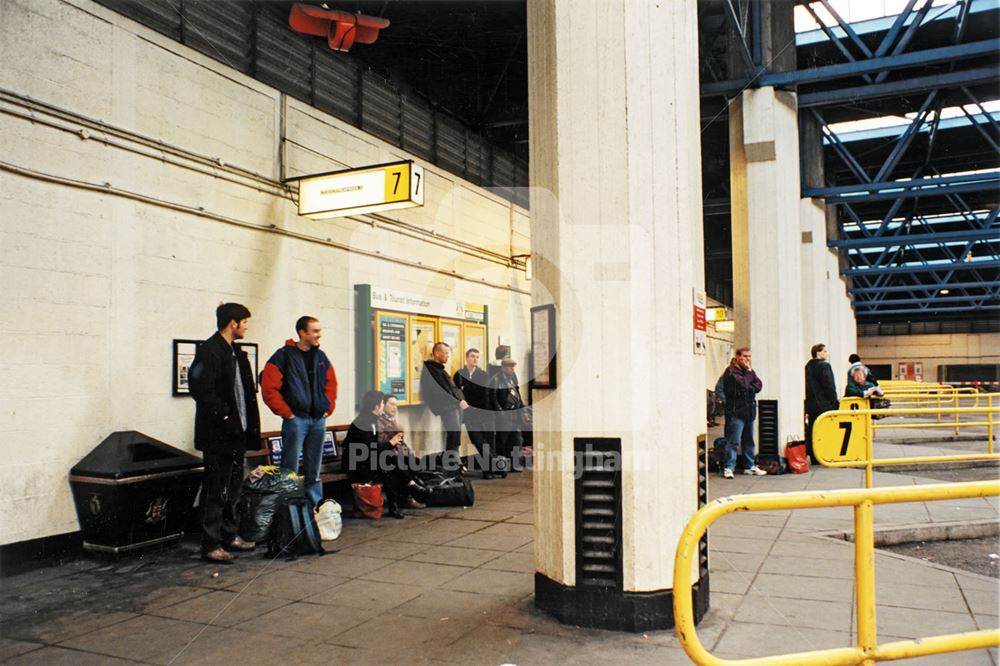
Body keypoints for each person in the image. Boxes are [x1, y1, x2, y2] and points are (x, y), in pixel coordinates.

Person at [189, 303, 261, 564]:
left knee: (233, 488)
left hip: (236, 434)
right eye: (244, 322)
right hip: (218, 434)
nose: (246, 327)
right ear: (233, 323)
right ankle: (210, 544)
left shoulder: (235, 353)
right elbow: (200, 388)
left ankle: (230, 536)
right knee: (215, 490)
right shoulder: (209, 351)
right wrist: (227, 416)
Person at [260, 316, 338, 508]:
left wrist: (328, 408)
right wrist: (287, 414)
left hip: (318, 419)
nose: (320, 335)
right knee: (290, 468)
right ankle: (289, 509)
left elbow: (331, 384)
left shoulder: (321, 357)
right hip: (296, 420)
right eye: (315, 331)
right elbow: (269, 388)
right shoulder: (283, 356)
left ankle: (315, 508)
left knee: (314, 468)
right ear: (302, 333)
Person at [420, 342, 468, 468]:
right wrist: (458, 401)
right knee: (453, 433)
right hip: (448, 406)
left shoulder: (440, 369)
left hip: (454, 405)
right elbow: (440, 391)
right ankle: (452, 461)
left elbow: (452, 388)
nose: (448, 356)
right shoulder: (432, 370)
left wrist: (461, 399)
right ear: (437, 354)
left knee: (455, 434)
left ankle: (454, 460)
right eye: (445, 353)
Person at [720, 347, 766, 478]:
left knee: (748, 439)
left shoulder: (748, 371)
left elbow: (758, 386)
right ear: (737, 357)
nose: (747, 359)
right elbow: (744, 385)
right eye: (745, 356)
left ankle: (749, 465)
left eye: (749, 356)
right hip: (736, 411)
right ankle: (729, 467)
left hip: (748, 410)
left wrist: (750, 378)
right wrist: (750, 375)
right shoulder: (731, 371)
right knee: (733, 440)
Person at [453, 348, 497, 478]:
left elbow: (483, 393)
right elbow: (455, 391)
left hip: (485, 413)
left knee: (488, 441)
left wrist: (465, 390)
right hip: (469, 414)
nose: (475, 359)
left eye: (477, 357)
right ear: (467, 358)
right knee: (477, 440)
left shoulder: (483, 375)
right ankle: (495, 465)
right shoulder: (459, 374)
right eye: (472, 356)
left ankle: (488, 470)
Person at [805, 343, 839, 464]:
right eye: (825, 351)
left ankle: (815, 456)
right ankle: (825, 455)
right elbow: (829, 385)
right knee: (826, 431)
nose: (827, 353)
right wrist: (834, 401)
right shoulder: (824, 366)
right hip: (824, 404)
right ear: (818, 353)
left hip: (811, 404)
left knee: (813, 430)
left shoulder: (807, 366)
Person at [489, 358, 525, 470]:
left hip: (515, 412)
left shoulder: (512, 378)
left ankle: (514, 463)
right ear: (504, 367)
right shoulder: (496, 379)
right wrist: (500, 412)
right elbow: (493, 397)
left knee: (516, 439)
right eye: (510, 367)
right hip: (505, 412)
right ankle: (503, 465)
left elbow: (517, 393)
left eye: (513, 366)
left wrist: (521, 407)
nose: (513, 369)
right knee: (502, 440)